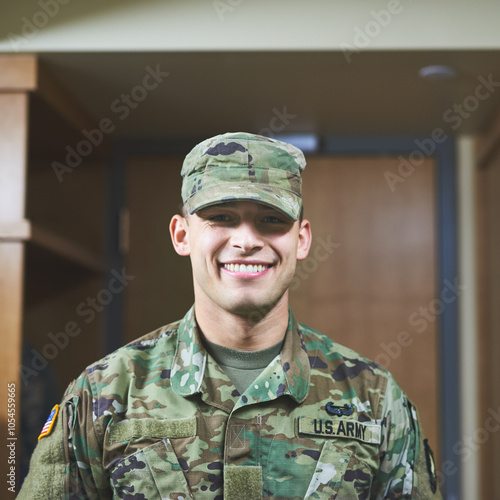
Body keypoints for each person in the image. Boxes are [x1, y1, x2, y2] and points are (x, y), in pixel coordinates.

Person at [19, 132, 442, 499]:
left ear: (302, 239)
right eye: (221, 217)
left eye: (271, 220)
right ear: (182, 235)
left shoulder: (374, 399)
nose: (246, 241)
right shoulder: (103, 394)